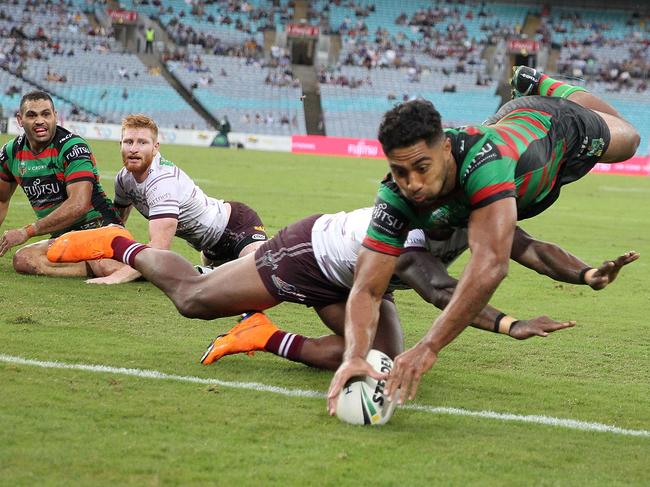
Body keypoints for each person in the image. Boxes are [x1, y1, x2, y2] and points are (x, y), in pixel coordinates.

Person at [325, 65, 641, 413]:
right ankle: (535, 90)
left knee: (629, 139)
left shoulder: (486, 164)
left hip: (556, 128)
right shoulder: (394, 196)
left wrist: (428, 346)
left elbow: (491, 265)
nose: (412, 183)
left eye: (421, 168)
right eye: (400, 171)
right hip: (519, 147)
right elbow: (368, 288)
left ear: (445, 148)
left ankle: (547, 86)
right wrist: (353, 356)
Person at [46, 205, 633, 370]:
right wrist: (510, 324)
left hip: (358, 281)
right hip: (307, 254)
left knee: (382, 362)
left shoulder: (484, 214)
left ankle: (263, 337)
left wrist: (584, 274)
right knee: (192, 300)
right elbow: (438, 291)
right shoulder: (409, 237)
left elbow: (531, 250)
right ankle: (114, 243)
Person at [84, 114, 268, 285]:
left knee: (263, 272)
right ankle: (208, 270)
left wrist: (116, 277)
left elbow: (159, 248)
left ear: (156, 147)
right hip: (210, 246)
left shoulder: (163, 182)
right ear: (120, 144)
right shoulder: (124, 179)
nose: (133, 149)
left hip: (237, 226)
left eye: (142, 142)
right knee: (223, 279)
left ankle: (268, 248)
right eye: (128, 142)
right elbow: (118, 222)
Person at [0, 90, 124, 277]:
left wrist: (27, 232)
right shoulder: (11, 152)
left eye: (46, 114)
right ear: (19, 119)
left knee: (103, 264)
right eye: (32, 115)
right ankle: (102, 263)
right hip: (63, 236)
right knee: (23, 259)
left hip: (98, 227)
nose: (40, 120)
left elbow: (79, 205)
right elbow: (1, 199)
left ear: (55, 116)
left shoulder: (72, 147)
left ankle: (115, 263)